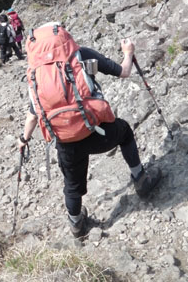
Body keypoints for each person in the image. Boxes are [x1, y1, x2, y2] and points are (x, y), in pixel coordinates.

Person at [18, 26, 162, 238]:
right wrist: (128, 52)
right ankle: (141, 179)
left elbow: (33, 115)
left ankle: (76, 224)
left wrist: (24, 139)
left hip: (65, 140)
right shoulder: (81, 54)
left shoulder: (36, 73)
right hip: (96, 132)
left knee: (72, 185)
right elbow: (124, 71)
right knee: (124, 133)